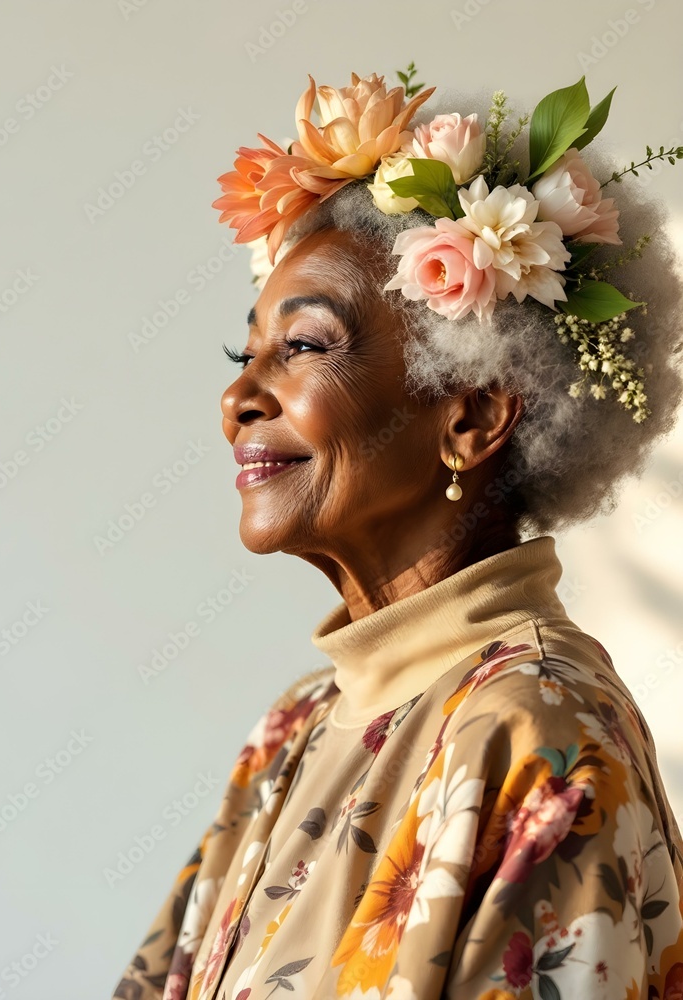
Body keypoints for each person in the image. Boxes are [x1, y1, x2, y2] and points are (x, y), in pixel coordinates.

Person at [111, 69, 683, 999]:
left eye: (302, 347)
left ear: (471, 418)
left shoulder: (540, 732)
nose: (236, 399)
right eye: (243, 352)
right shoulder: (292, 730)